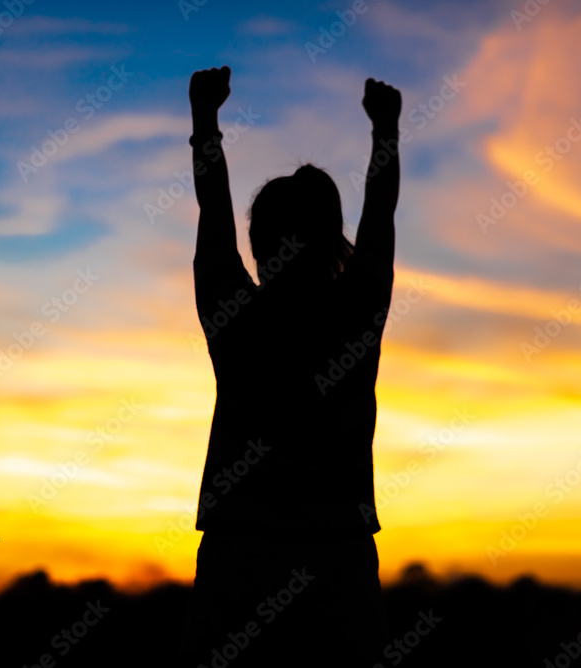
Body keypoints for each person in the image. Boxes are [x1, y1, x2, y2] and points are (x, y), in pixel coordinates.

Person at [178, 65, 401, 667]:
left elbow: (213, 214)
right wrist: (385, 133)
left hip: (239, 550)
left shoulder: (234, 314)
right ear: (333, 241)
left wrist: (206, 122)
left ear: (259, 245)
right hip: (340, 558)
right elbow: (380, 220)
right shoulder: (359, 311)